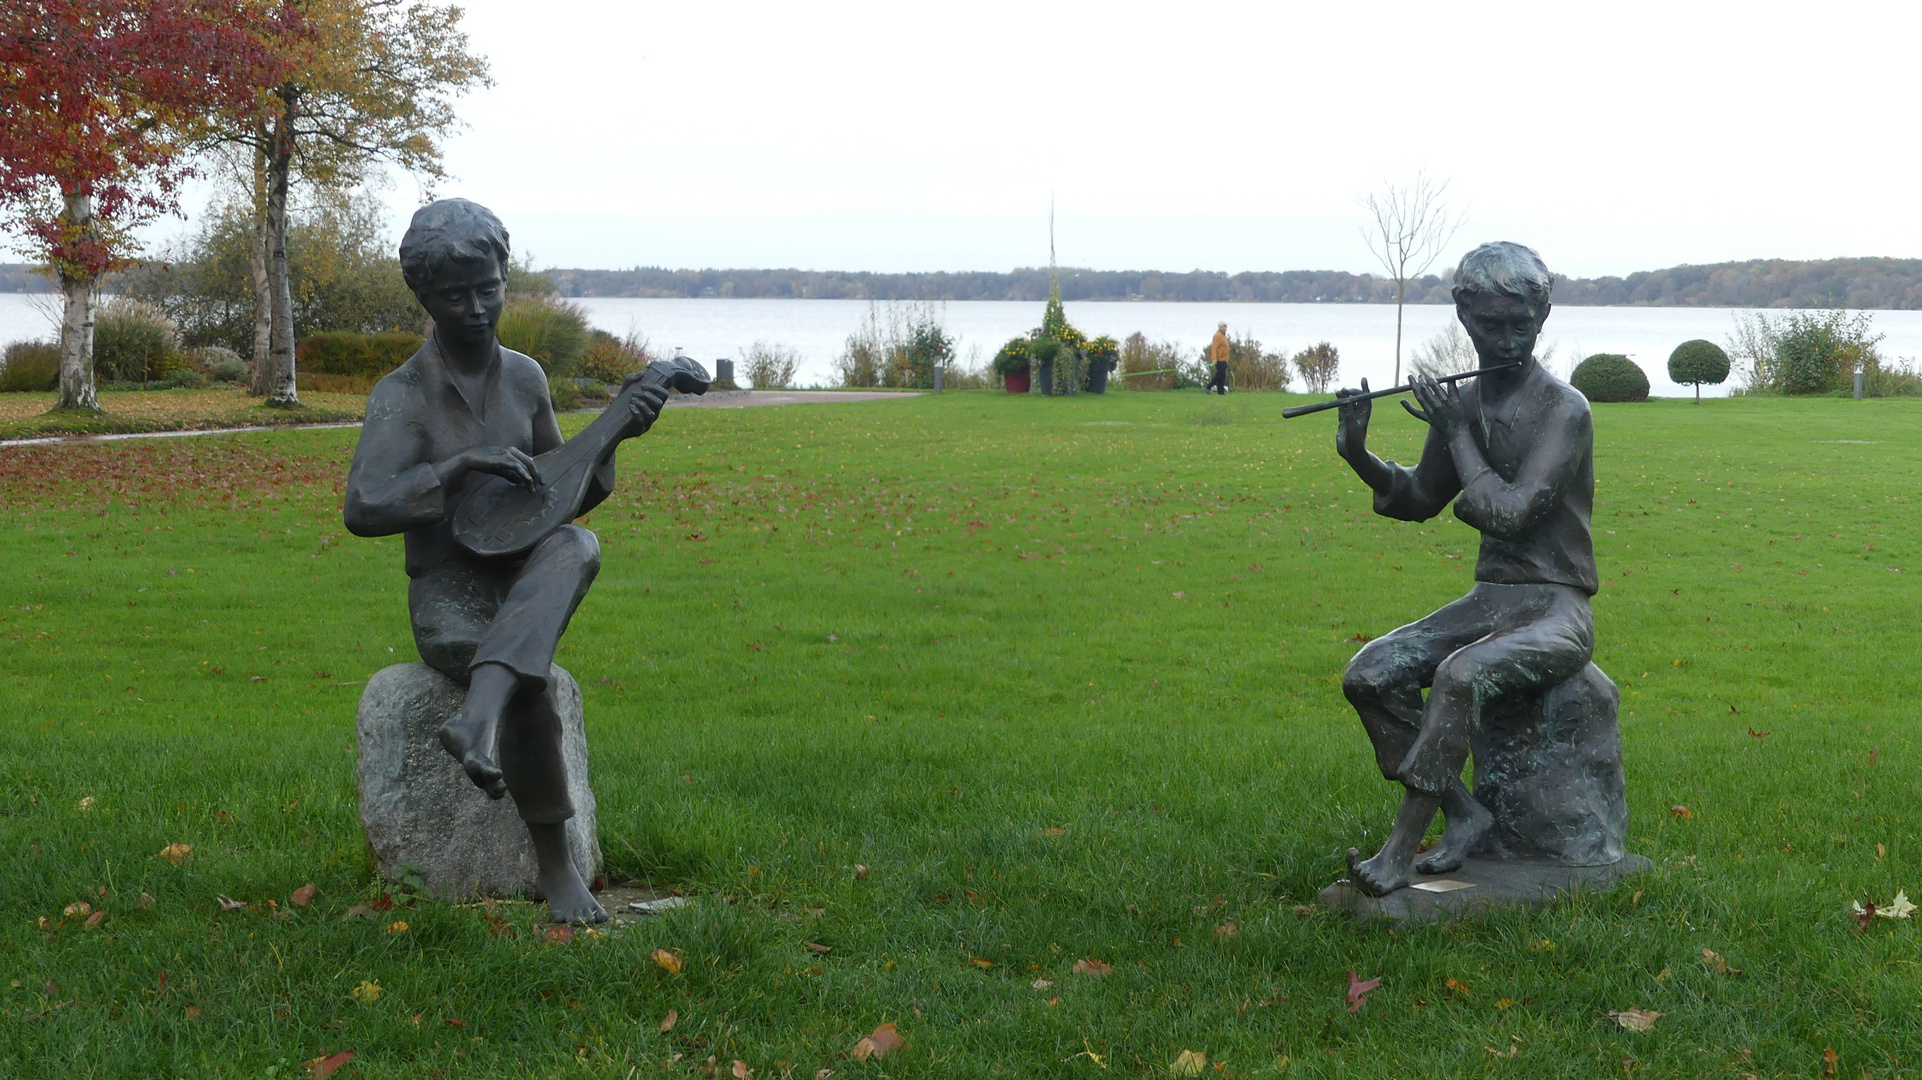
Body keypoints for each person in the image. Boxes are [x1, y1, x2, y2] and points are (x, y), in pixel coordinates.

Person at [343, 199, 670, 923]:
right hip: (449, 595)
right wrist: (458, 468)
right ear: (424, 297)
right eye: (454, 295)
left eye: (487, 288)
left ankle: (474, 720)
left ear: (503, 277)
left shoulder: (526, 377)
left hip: (525, 574)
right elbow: (363, 506)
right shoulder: (402, 395)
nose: (475, 307)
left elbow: (560, 495)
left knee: (576, 545)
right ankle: (557, 869)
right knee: (530, 680)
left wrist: (615, 436)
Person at [1331, 241, 1596, 896]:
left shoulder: (1566, 411)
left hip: (1556, 608)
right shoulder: (1466, 402)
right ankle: (1464, 812)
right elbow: (1421, 497)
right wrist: (1358, 453)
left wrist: (1456, 432)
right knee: (1368, 675)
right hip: (1491, 601)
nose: (1505, 339)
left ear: (1543, 316)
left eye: (1521, 324)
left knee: (1459, 673)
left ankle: (1399, 850)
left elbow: (1508, 514)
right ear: (1463, 315)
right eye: (1489, 324)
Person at [1207, 322, 1230, 394]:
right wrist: (1214, 358)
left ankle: (1221, 391)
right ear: (1220, 327)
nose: (1225, 328)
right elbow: (1214, 347)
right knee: (1219, 375)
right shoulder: (1217, 336)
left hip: (1224, 359)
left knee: (1222, 376)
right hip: (1219, 359)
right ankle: (1208, 387)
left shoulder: (1223, 336)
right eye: (1224, 327)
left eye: (1226, 327)